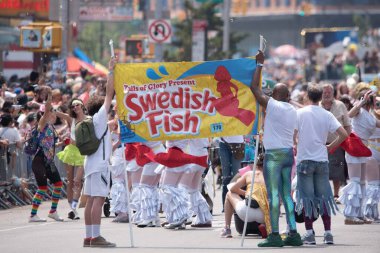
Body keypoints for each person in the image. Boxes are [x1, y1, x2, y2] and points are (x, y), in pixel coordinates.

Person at [251, 50, 302, 247]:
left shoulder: (274, 106)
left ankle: (274, 235)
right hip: (289, 154)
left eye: (273, 93)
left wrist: (259, 65)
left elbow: (254, 88)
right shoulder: (292, 110)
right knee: (286, 195)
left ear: (278, 95)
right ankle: (293, 233)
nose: (270, 94)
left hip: (274, 156)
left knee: (273, 196)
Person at [295, 84, 348, 245]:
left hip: (304, 160)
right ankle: (328, 233)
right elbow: (344, 134)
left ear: (307, 97)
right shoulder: (326, 114)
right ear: (320, 98)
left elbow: (293, 133)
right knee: (324, 198)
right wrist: (331, 146)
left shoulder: (300, 113)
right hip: (321, 160)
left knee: (307, 199)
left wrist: (296, 143)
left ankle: (310, 233)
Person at [82, 57, 116, 248]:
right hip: (101, 164)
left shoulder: (89, 120)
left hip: (90, 164)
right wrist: (111, 71)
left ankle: (88, 237)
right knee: (98, 199)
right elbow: (109, 93)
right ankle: (96, 237)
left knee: (90, 200)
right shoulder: (100, 117)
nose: (109, 108)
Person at [339, 89, 380, 224]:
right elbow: (349, 114)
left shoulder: (372, 116)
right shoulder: (359, 111)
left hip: (363, 149)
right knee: (355, 181)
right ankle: (350, 215)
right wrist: (360, 103)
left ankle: (360, 214)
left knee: (362, 183)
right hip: (354, 146)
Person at [28, 88, 64, 222]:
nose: (53, 114)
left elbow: (52, 145)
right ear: (45, 114)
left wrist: (62, 142)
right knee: (42, 188)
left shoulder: (50, 127)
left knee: (59, 184)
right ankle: (32, 215)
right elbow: (48, 108)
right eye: (50, 112)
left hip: (49, 161)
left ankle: (53, 211)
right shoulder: (41, 125)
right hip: (39, 161)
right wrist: (49, 96)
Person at [220, 153, 271, 238]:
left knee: (229, 194)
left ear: (256, 164)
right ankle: (266, 225)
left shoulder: (249, 174)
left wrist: (247, 193)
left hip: (246, 211)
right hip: (264, 214)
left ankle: (227, 228)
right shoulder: (272, 176)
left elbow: (232, 188)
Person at [56, 98, 86, 220]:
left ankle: (74, 206)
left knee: (77, 181)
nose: (75, 107)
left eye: (77, 105)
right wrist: (49, 102)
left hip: (82, 152)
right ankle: (72, 209)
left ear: (82, 105)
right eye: (73, 106)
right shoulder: (71, 119)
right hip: (71, 151)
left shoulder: (89, 119)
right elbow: (56, 112)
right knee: (70, 182)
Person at [321, 83, 351, 202]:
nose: (327, 94)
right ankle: (323, 194)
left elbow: (348, 125)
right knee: (321, 170)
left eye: (329, 92)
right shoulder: (317, 105)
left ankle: (336, 194)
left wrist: (345, 140)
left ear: (333, 93)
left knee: (337, 170)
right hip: (321, 143)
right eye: (324, 92)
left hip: (337, 143)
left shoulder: (340, 105)